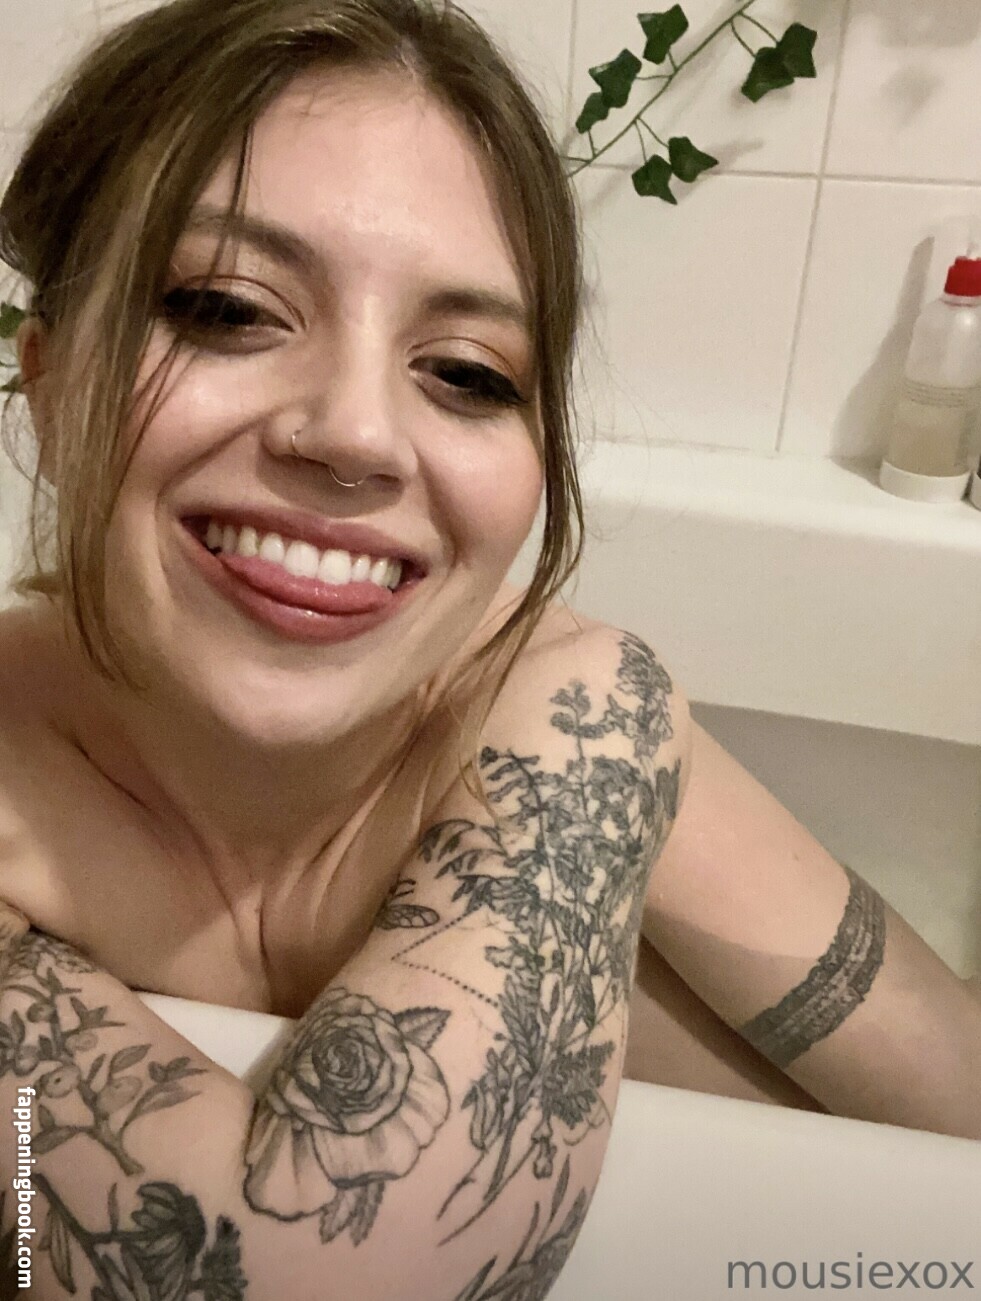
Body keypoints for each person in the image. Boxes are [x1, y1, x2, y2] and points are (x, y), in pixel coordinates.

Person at [0, 0, 977, 1296]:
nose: (356, 435)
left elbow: (955, 1094)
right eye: (228, 307)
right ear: (48, 379)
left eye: (467, 372)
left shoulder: (571, 712)